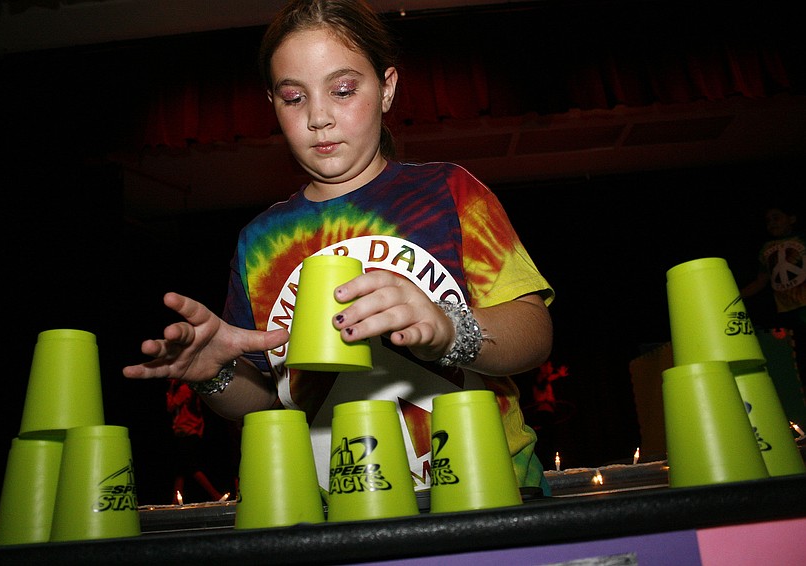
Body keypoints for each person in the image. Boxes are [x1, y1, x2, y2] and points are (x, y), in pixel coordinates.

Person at [123, 0, 555, 497]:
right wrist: (213, 374)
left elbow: (535, 331)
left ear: (387, 87)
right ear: (273, 104)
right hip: (338, 509)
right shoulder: (258, 242)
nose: (319, 117)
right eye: (293, 98)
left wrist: (448, 329)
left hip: (490, 491)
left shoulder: (451, 192)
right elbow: (270, 403)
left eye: (343, 90)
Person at [739, 202, 806, 379]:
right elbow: (761, 281)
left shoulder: (802, 239)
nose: (772, 223)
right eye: (768, 221)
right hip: (786, 311)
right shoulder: (766, 249)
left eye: (776, 218)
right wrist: (735, 296)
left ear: (791, 219)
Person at [166, 379, 225, 503]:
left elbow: (171, 406)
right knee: (181, 468)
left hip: (189, 432)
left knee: (191, 466)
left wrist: (170, 390)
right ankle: (175, 501)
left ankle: (215, 494)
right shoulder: (184, 388)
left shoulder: (184, 389)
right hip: (184, 432)